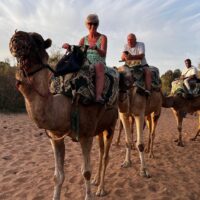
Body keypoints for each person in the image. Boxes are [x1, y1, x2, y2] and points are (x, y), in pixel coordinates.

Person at [62, 14, 107, 104]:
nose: (92, 26)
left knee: (99, 66)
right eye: (90, 24)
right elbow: (78, 51)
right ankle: (65, 89)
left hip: (98, 61)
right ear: (87, 25)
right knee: (70, 64)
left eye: (95, 23)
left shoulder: (103, 38)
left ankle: (98, 96)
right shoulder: (83, 39)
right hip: (85, 60)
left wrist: (96, 48)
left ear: (97, 24)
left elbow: (103, 53)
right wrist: (69, 47)